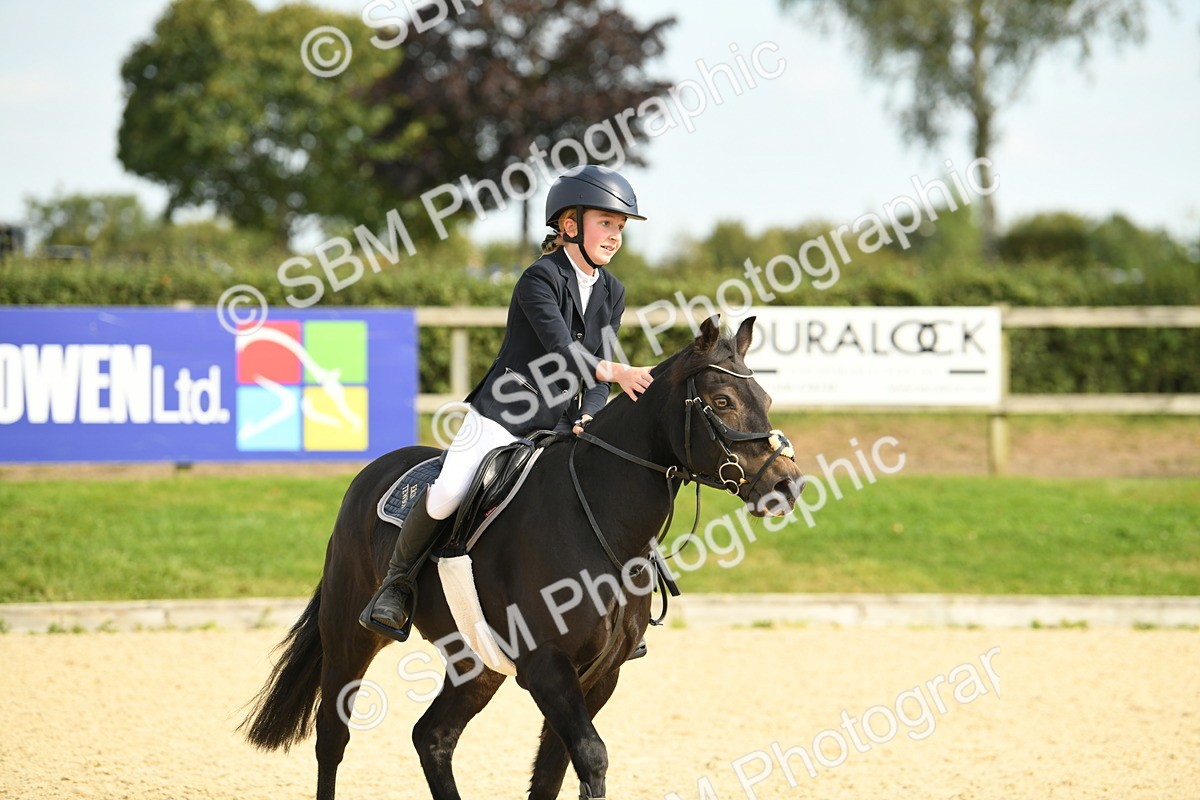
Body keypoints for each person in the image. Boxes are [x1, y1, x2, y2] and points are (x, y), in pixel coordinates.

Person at [361, 164, 655, 642]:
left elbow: (598, 366)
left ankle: (617, 612)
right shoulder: (538, 278)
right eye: (606, 223)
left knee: (604, 492)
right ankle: (396, 586)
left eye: (620, 227)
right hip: (505, 412)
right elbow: (564, 348)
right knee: (450, 490)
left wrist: (591, 411)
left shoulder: (612, 291)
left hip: (561, 422)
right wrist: (614, 372)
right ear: (569, 225)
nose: (615, 235)